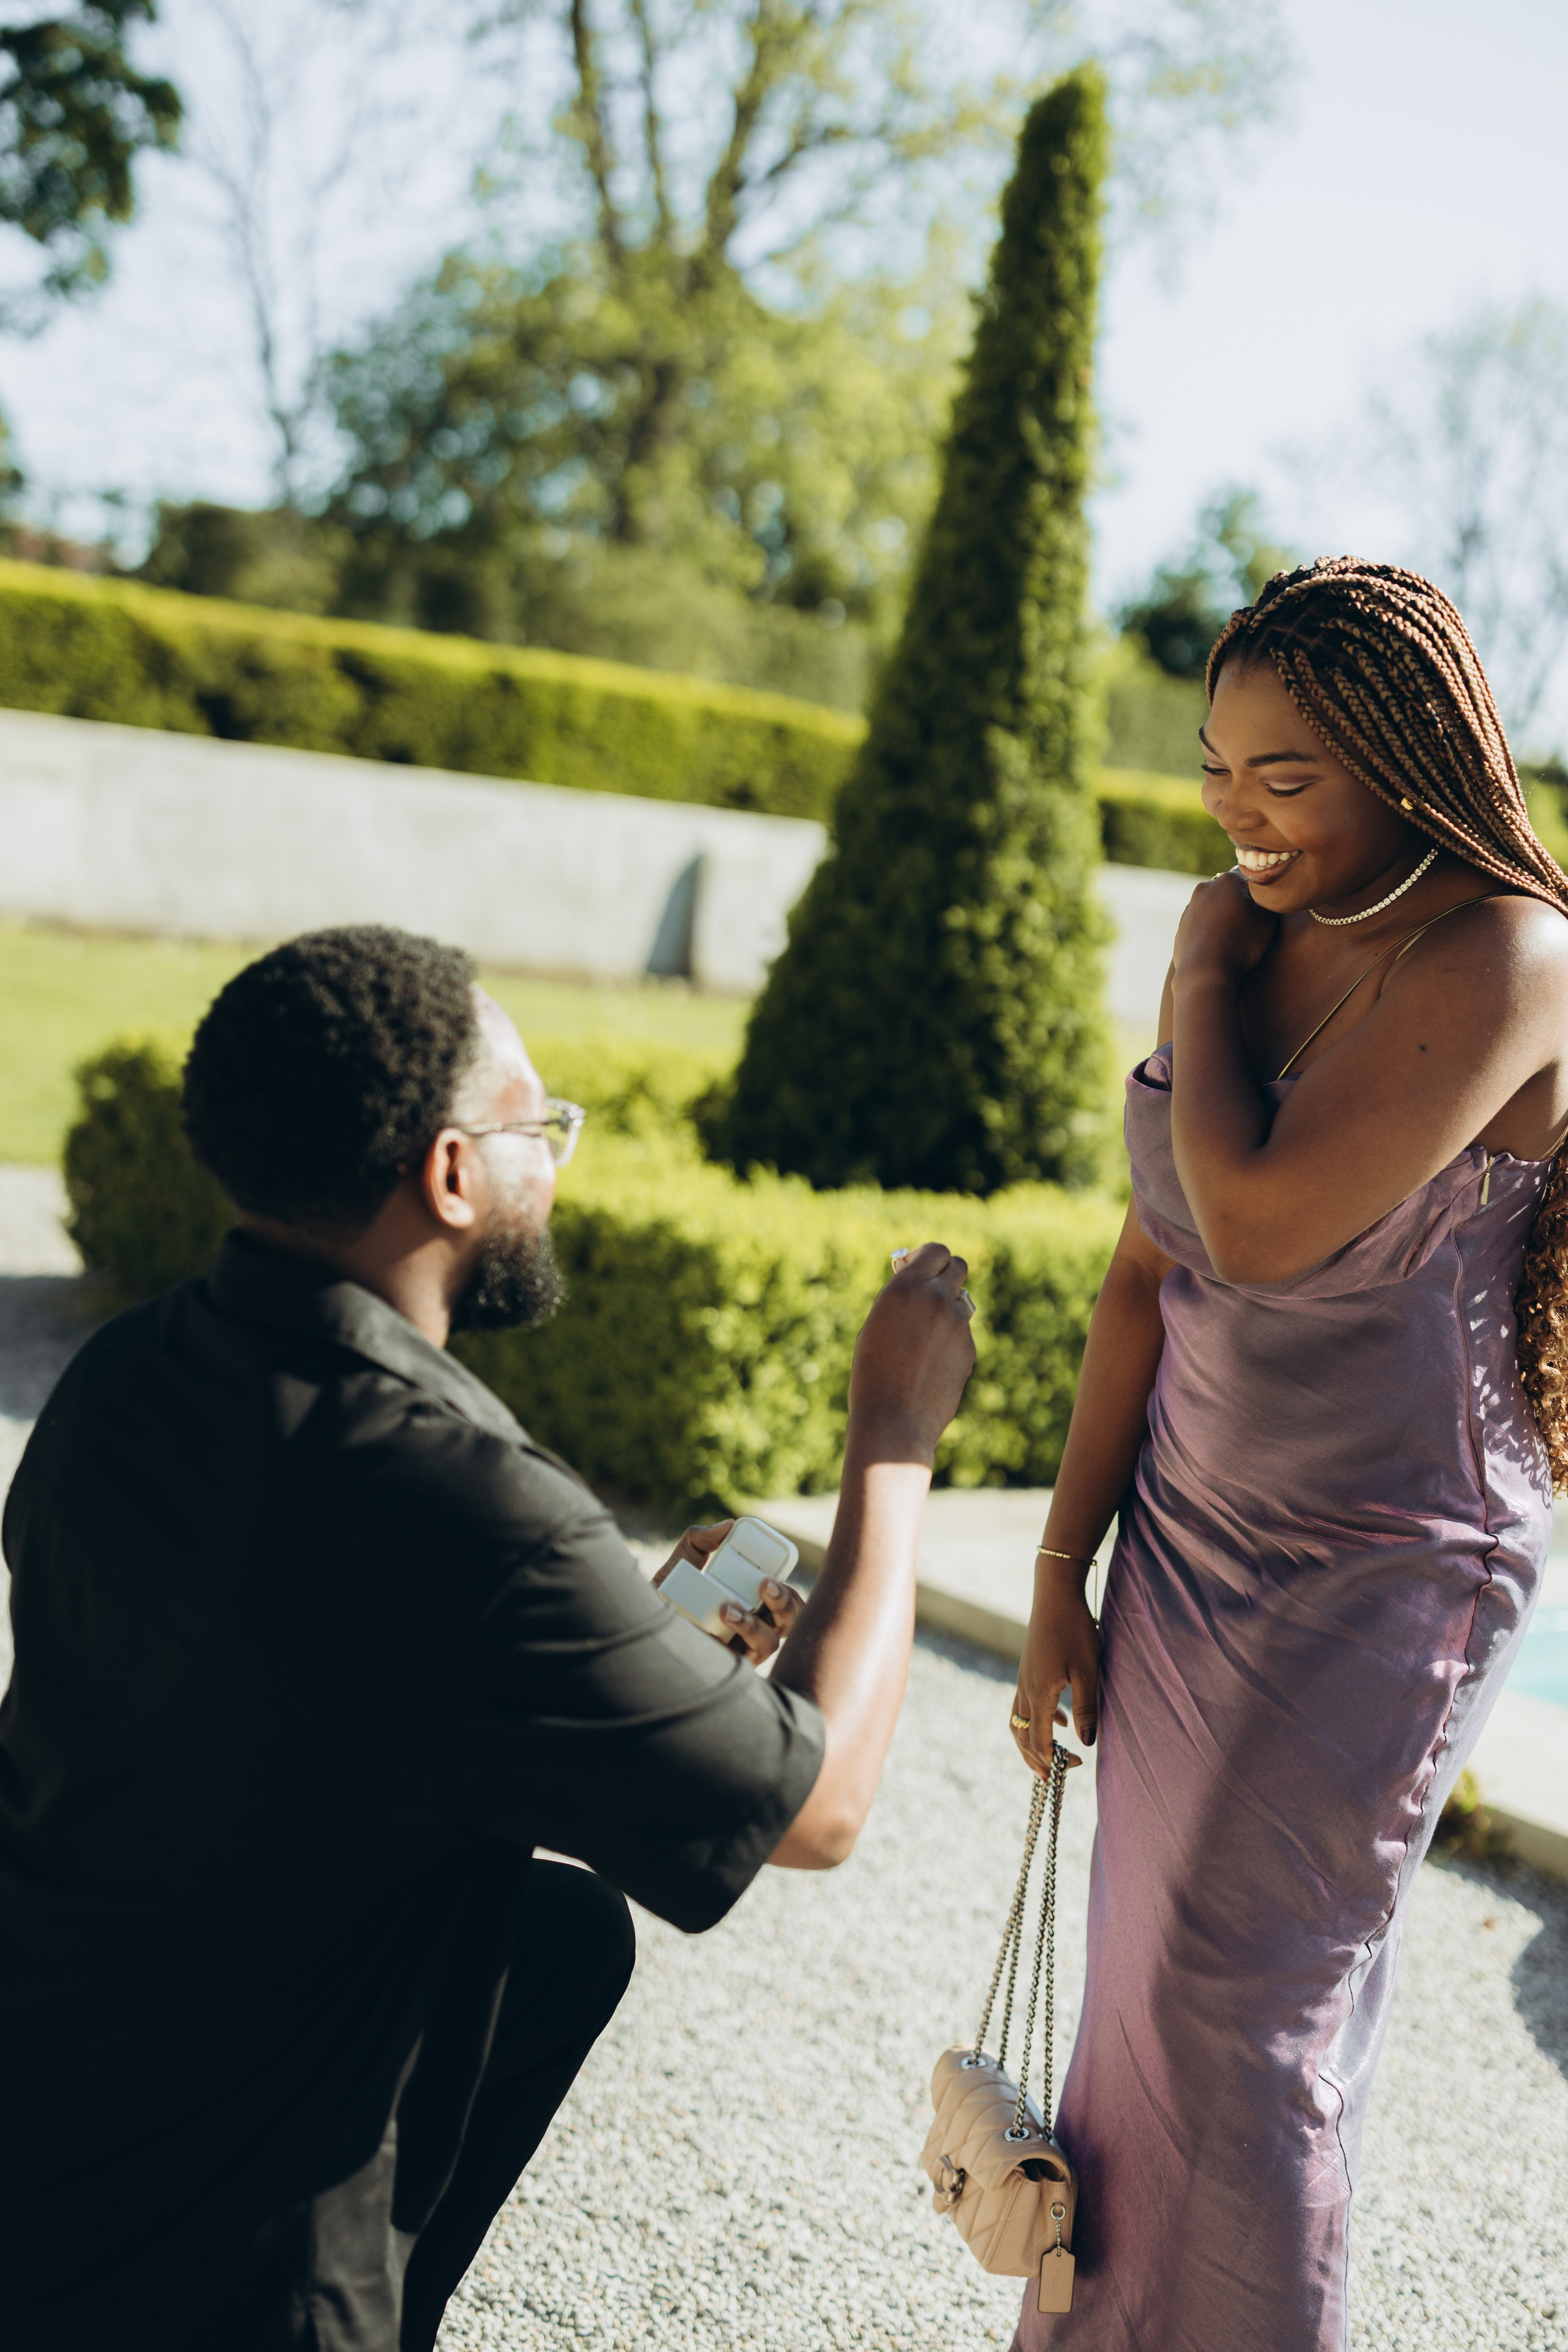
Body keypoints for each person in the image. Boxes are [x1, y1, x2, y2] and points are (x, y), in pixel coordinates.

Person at [0, 924, 976, 2352]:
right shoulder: (468, 1507)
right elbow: (814, 1809)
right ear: (451, 1173)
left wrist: (611, 1642)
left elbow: (316, 1694)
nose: (555, 1162)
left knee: (562, 1935)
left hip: (58, 2092)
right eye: (542, 1129)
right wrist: (892, 1438)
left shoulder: (131, 1372)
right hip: (231, 2263)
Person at [1009, 559, 1568, 2352]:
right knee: (1139, 2007)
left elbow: (1251, 1229)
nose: (1237, 817)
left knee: (1234, 2023)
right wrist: (1055, 1571)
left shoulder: (1511, 956)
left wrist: (1189, 961)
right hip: (1186, 1535)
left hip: (1385, 1568)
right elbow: (1144, 1281)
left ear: (1404, 762)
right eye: (1214, 769)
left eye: (1286, 777)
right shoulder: (1275, 934)